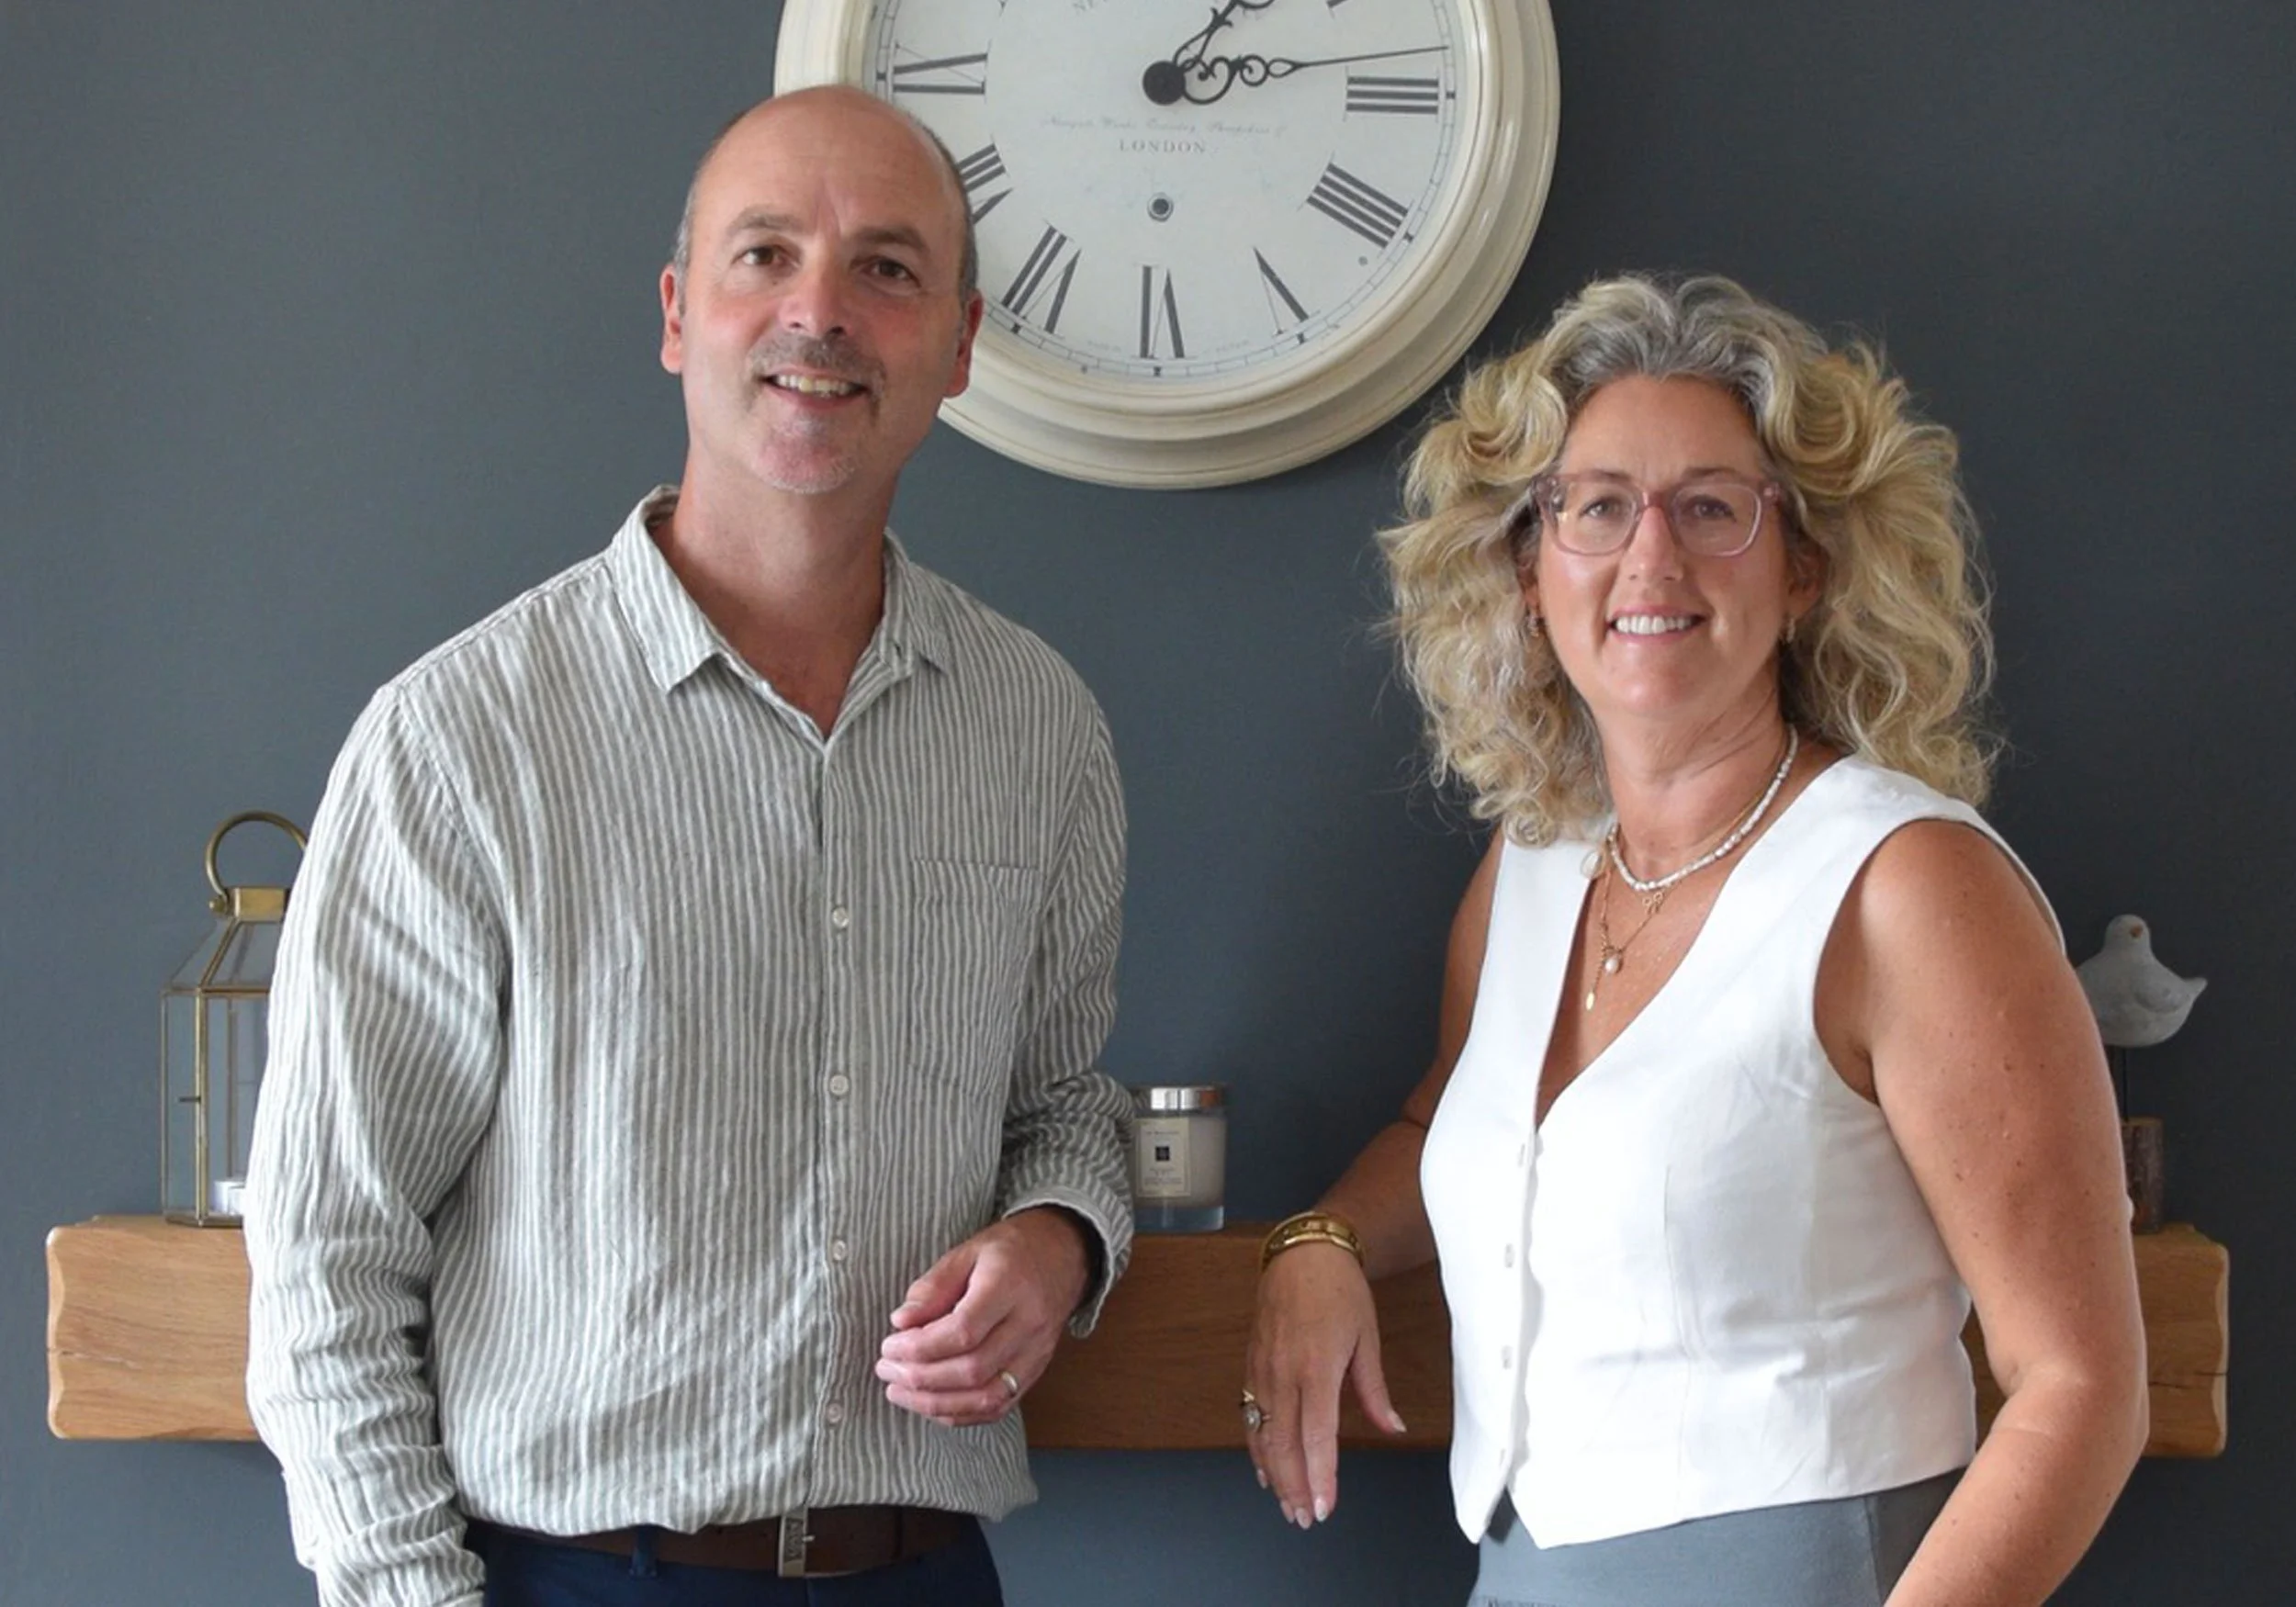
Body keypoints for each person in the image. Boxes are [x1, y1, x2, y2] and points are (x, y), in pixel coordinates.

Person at [243, 86, 1132, 1607]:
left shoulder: (1040, 728)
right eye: (765, 255)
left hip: (926, 1570)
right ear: (678, 315)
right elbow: (329, 1258)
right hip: (571, 1572)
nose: (821, 314)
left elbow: (1060, 1105)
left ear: (962, 342)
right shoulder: (459, 739)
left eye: (888, 270)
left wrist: (1059, 1239)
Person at [1244, 275, 2146, 1606]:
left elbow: (2084, 1387)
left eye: (1713, 508)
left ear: (1805, 567)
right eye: (1597, 505)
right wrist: (1318, 1244)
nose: (1649, 558)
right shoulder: (1536, 864)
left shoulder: (1907, 882)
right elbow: (1451, 1125)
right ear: (1526, 564)